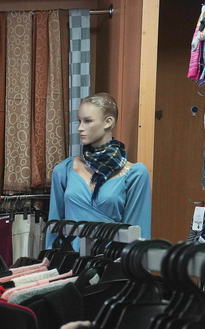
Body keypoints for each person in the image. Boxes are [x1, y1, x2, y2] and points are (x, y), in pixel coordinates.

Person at [48, 93, 152, 240]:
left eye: (88, 121)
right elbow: (54, 229)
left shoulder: (135, 174)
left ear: (108, 122)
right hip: (72, 260)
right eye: (79, 121)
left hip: (111, 260)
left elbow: (138, 234)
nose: (79, 128)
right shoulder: (64, 170)